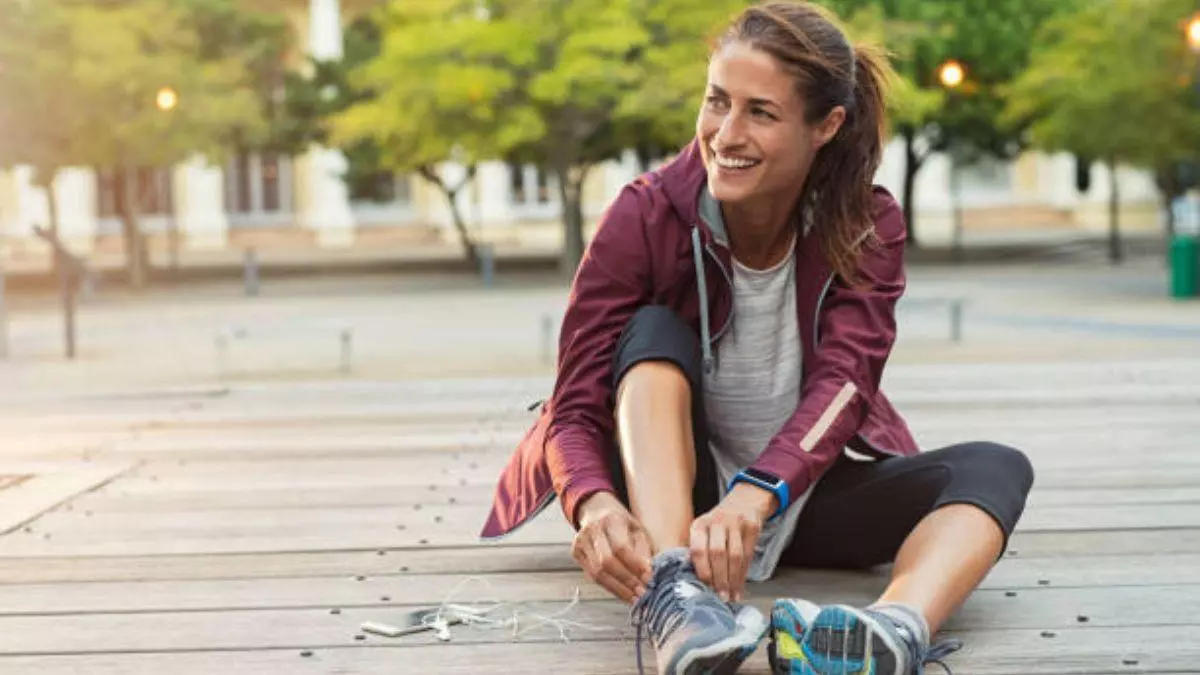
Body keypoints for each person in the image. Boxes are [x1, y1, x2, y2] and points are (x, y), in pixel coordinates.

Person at [481, 2, 1034, 674]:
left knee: (995, 467)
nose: (726, 133)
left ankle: (894, 630)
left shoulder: (865, 224)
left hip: (796, 497)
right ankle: (678, 596)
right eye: (717, 101)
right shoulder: (645, 214)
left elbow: (846, 385)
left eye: (761, 112)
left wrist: (759, 492)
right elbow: (571, 406)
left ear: (826, 126)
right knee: (652, 332)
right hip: (678, 509)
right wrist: (593, 502)